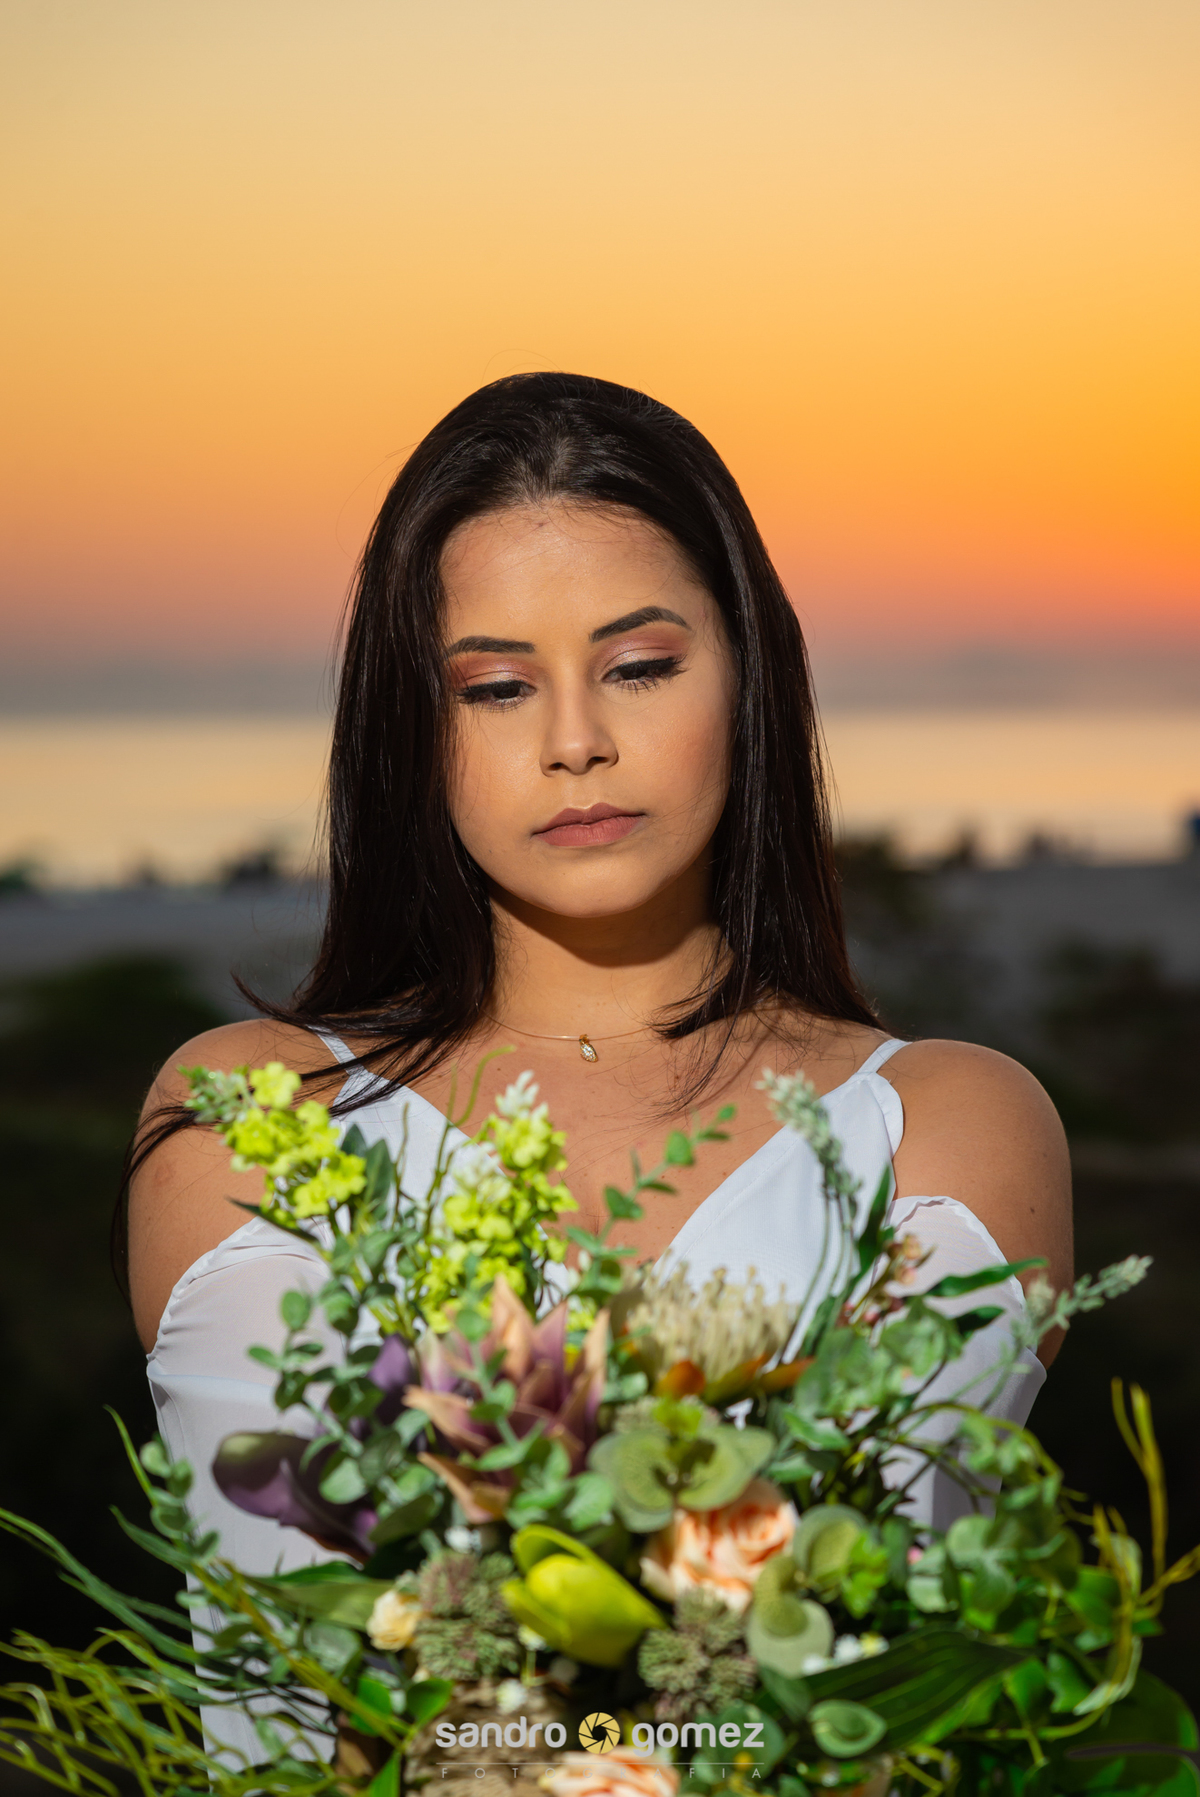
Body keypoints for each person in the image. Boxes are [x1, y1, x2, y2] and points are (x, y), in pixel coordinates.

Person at [124, 371, 1072, 1603]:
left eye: (637, 666)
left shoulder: (944, 1131)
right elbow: (285, 1659)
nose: (574, 741)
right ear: (412, 730)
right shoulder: (251, 1121)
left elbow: (894, 1654)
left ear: (749, 679)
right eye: (498, 687)